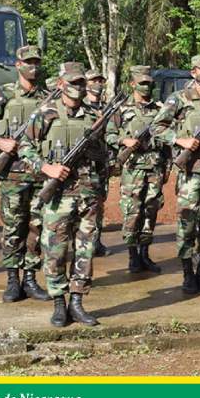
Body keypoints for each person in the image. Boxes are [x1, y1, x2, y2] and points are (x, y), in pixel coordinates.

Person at [18, 62, 106, 327]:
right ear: (61, 84)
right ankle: (59, 302)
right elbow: (25, 147)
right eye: (74, 82)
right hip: (58, 195)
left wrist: (97, 154)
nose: (79, 87)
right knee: (55, 251)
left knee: (85, 250)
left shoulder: (94, 115)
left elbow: (107, 151)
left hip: (88, 194)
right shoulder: (45, 113)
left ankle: (77, 302)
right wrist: (47, 168)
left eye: (81, 82)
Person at [0, 45, 52, 301]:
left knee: (36, 227)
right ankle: (12, 279)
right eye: (28, 62)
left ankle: (30, 278)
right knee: (13, 228)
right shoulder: (2, 95)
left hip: (40, 174)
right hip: (13, 174)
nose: (34, 66)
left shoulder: (48, 98)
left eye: (37, 62)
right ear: (17, 65)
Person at [152, 54, 200, 295]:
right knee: (187, 224)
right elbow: (157, 127)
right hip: (190, 171)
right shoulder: (179, 99)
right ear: (193, 71)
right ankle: (188, 273)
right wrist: (179, 139)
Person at [106, 66, 168, 273]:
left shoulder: (159, 109)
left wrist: (166, 166)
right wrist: (125, 140)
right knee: (132, 211)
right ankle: (132, 255)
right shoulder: (121, 108)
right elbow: (108, 135)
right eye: (142, 83)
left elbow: (167, 139)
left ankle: (145, 253)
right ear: (133, 84)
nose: (146, 87)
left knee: (150, 210)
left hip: (155, 167)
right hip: (133, 168)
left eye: (149, 83)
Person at [83, 69, 111, 257]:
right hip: (85, 163)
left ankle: (96, 239)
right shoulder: (81, 107)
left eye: (100, 81)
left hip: (102, 162)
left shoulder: (106, 107)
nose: (97, 84)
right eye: (93, 80)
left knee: (99, 202)